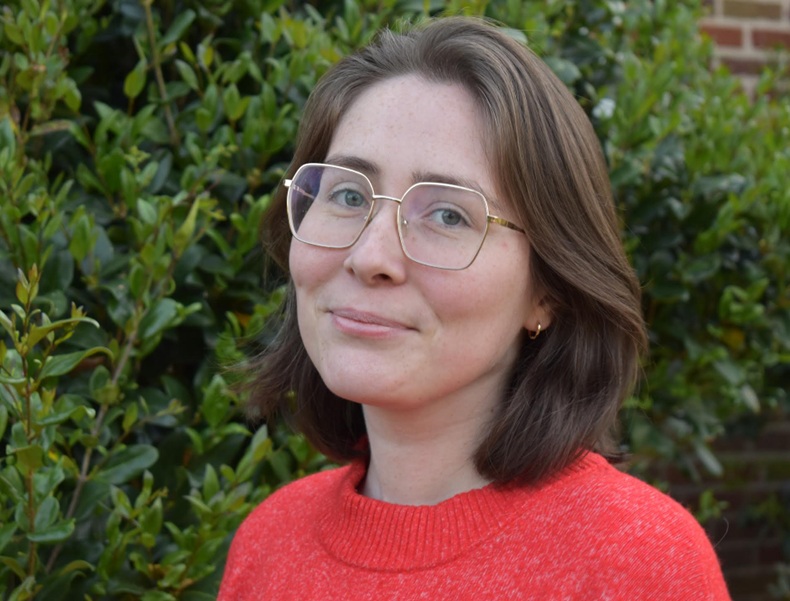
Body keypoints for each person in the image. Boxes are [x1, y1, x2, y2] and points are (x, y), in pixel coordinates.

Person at [218, 16, 731, 600]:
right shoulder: (269, 543)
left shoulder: (637, 564)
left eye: (447, 215)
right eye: (348, 195)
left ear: (547, 291)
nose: (370, 256)